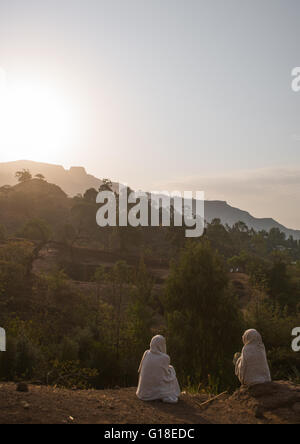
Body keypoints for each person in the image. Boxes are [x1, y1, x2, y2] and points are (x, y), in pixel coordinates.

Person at [136, 335, 181, 403]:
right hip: (154, 391)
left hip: (142, 393)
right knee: (172, 370)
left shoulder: (146, 353)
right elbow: (166, 373)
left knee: (170, 369)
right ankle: (167, 393)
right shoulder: (165, 358)